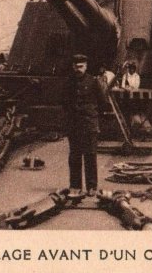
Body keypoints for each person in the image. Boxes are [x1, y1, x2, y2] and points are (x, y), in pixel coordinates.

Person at [61, 54, 108, 197]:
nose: (78, 69)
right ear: (72, 67)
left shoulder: (93, 82)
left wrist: (93, 117)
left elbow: (102, 102)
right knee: (74, 156)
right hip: (74, 124)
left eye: (81, 66)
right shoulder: (68, 82)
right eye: (76, 66)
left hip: (89, 124)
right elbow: (63, 102)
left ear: (86, 66)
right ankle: (75, 186)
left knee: (90, 155)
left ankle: (92, 187)